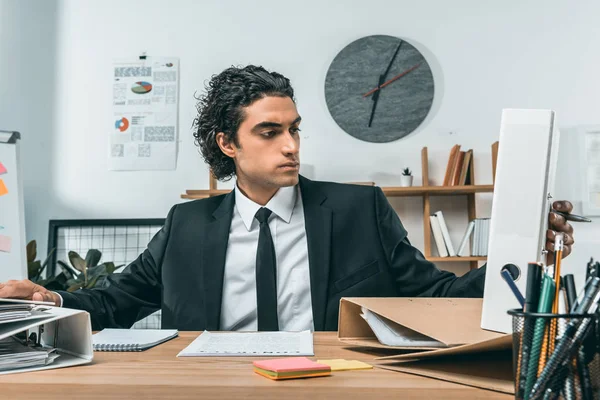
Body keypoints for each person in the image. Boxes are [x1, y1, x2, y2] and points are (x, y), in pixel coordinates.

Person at [0, 65, 575, 332]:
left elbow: (439, 294)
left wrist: (518, 249)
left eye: (295, 129)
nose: (291, 146)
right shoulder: (188, 224)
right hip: (211, 387)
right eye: (270, 132)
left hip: (331, 383)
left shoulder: (358, 210)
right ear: (227, 144)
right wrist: (48, 298)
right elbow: (116, 303)